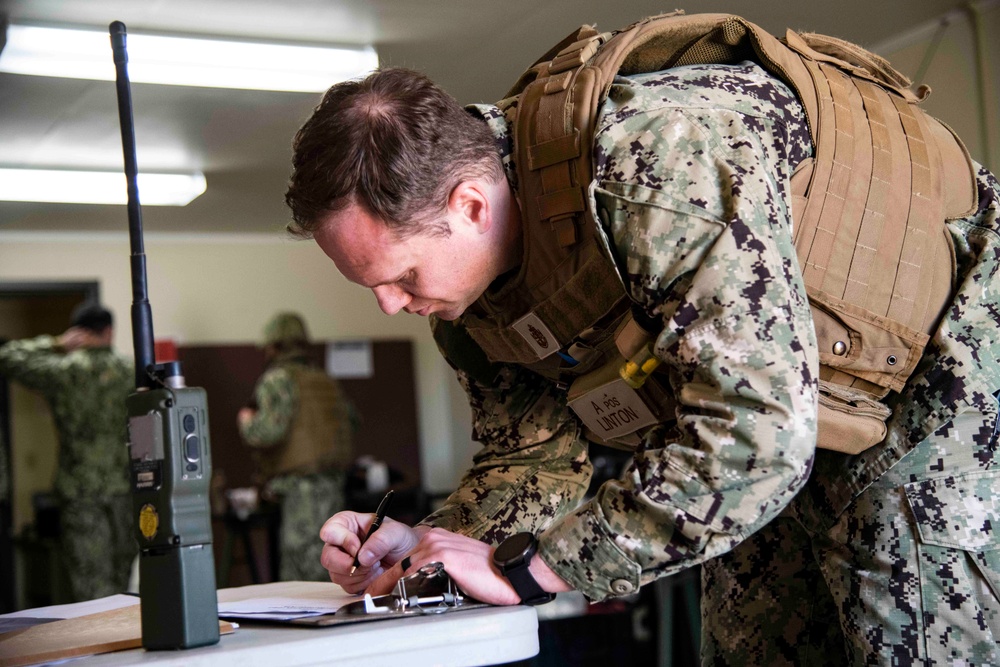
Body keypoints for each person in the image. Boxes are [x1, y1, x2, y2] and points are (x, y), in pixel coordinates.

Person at [285, 13, 1000, 666]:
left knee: (902, 603)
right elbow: (532, 459)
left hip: (944, 346)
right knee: (758, 636)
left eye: (401, 275)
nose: (389, 305)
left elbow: (753, 443)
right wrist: (431, 548)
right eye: (370, 284)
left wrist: (533, 569)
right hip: (787, 398)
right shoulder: (465, 296)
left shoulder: (651, 170)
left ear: (469, 205)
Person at [0, 302, 135, 602]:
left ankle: (100, 642)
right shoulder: (133, 371)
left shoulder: (63, 372)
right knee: (123, 579)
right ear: (110, 331)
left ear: (79, 333)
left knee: (91, 584)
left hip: (80, 492)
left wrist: (55, 343)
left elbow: (7, 357)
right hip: (126, 489)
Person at [237, 312, 355, 581]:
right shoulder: (325, 380)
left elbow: (266, 432)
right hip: (333, 484)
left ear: (274, 345)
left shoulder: (277, 380)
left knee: (302, 572)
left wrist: (246, 422)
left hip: (301, 490)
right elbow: (352, 422)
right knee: (331, 561)